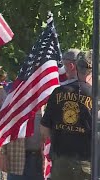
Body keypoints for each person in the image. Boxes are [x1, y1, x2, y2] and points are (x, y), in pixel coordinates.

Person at [40, 50, 92, 180]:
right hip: (86, 162)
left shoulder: (58, 92)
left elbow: (44, 129)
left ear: (76, 68)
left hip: (61, 161)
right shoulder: (96, 96)